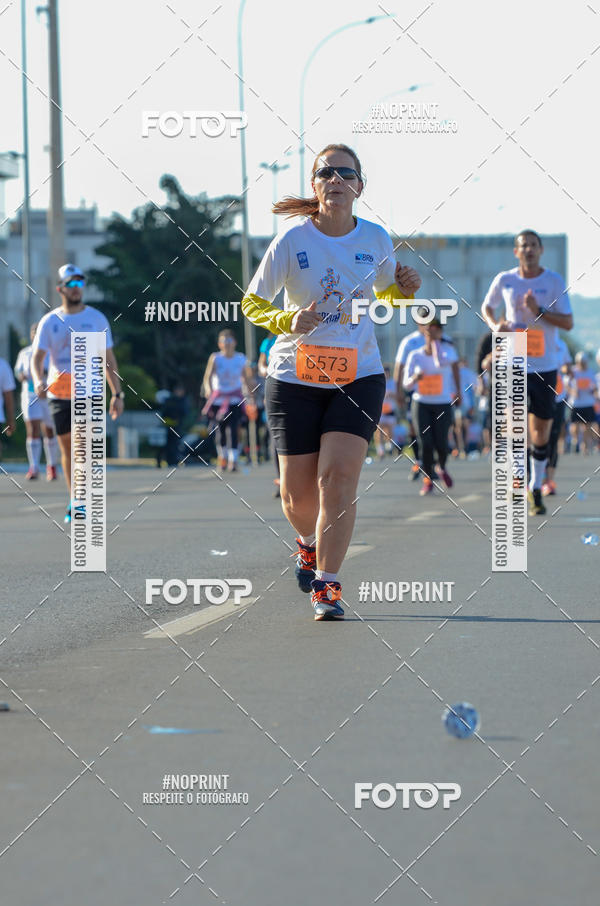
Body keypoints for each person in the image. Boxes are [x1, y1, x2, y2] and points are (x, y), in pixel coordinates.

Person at [240, 142, 421, 620]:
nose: (336, 180)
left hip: (358, 374)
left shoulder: (377, 239)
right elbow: (252, 303)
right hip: (294, 376)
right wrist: (288, 320)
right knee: (297, 496)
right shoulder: (293, 241)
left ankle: (328, 585)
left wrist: (402, 291)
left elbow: (382, 299)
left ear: (360, 186)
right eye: (327, 173)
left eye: (346, 173)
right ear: (315, 185)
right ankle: (307, 542)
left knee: (337, 479)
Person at [481, 230, 573, 516]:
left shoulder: (553, 281)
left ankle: (536, 483)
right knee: (515, 426)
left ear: (541, 250)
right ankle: (520, 482)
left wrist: (540, 311)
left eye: (533, 245)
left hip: (545, 365)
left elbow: (568, 322)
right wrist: (495, 325)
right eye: (524, 246)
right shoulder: (505, 280)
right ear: (516, 252)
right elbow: (487, 306)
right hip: (513, 362)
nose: (529, 250)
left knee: (541, 431)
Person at [31, 264, 124, 523]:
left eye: (80, 283)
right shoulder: (50, 321)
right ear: (60, 288)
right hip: (59, 393)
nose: (76, 289)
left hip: (89, 390)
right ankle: (74, 497)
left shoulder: (96, 319)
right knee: (68, 448)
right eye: (71, 284)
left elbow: (108, 360)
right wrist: (39, 380)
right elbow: (37, 359)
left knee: (83, 448)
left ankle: (80, 501)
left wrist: (117, 394)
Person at [403, 317, 461, 495]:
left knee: (442, 443)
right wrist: (415, 378)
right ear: (424, 332)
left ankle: (441, 467)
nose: (433, 332)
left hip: (442, 403)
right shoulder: (415, 355)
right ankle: (427, 478)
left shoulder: (448, 351)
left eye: (437, 329)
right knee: (425, 443)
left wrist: (459, 392)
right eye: (430, 329)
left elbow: (442, 363)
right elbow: (406, 384)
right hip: (421, 403)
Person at [201, 329, 253, 473]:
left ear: (235, 343)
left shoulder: (241, 358)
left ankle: (233, 460)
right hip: (219, 399)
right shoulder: (216, 358)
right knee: (220, 430)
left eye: (230, 341)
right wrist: (208, 390)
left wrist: (250, 396)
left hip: (235, 398)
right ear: (220, 344)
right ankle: (222, 458)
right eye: (224, 341)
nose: (227, 344)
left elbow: (246, 378)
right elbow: (208, 376)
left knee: (234, 429)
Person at [14, 323, 59, 480]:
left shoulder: (50, 352)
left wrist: (45, 374)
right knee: (32, 430)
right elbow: (18, 370)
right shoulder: (24, 353)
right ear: (31, 335)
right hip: (30, 395)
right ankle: (33, 467)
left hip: (48, 395)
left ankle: (51, 466)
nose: (36, 334)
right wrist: (22, 375)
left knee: (49, 430)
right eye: (34, 332)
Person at [542, 336, 572, 495]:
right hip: (538, 394)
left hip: (558, 396)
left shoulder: (561, 344)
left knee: (553, 437)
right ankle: (534, 477)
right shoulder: (530, 336)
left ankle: (549, 480)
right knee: (538, 436)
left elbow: (568, 367)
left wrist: (567, 370)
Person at [567, 351, 597, 455]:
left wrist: (593, 390)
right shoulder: (573, 372)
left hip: (588, 402)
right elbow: (567, 385)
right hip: (576, 403)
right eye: (581, 362)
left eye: (584, 362)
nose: (583, 364)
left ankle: (584, 445)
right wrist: (573, 392)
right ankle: (575, 440)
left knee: (587, 425)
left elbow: (594, 386)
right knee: (574, 425)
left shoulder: (590, 372)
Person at [375, 365, 397, 460]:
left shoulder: (393, 382)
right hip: (380, 409)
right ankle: (380, 450)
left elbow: (396, 394)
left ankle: (389, 445)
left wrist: (390, 394)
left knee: (389, 429)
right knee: (379, 429)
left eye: (387, 372)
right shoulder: (379, 380)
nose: (386, 374)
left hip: (390, 409)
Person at [0, 355, 16, 459]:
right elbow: (8, 395)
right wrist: (11, 420)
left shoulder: (3, 366)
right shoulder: (3, 365)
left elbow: (8, 395)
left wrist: (10, 419)